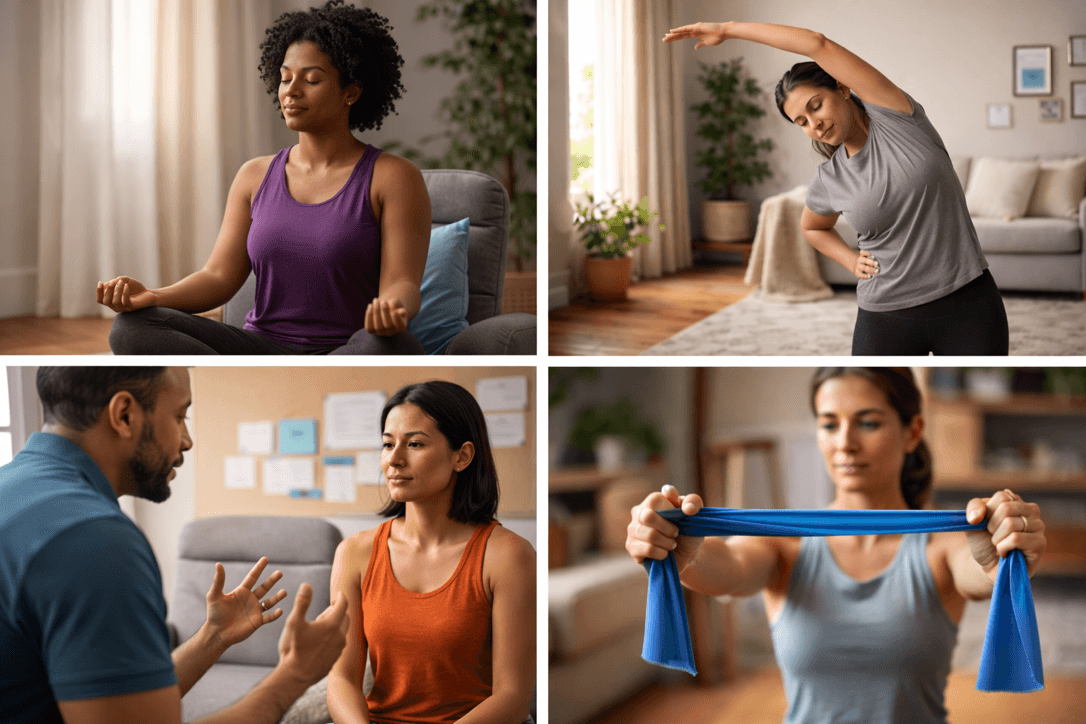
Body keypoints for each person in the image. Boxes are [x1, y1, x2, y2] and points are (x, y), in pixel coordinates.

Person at [626, 367, 1047, 724]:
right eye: (829, 424)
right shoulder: (784, 545)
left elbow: (977, 571)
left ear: (912, 431)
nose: (845, 442)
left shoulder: (943, 544)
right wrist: (681, 552)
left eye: (868, 423)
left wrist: (999, 562)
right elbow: (729, 565)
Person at [0, 367, 350, 724]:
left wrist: (214, 636)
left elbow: (124, 701)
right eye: (180, 416)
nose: (187, 441)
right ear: (124, 415)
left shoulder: (12, 488)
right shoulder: (96, 540)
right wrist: (295, 676)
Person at [99, 0, 430, 355]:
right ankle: (258, 377)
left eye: (311, 79)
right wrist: (153, 296)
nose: (291, 90)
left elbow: (402, 282)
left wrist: (392, 308)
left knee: (390, 344)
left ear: (351, 91)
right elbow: (218, 277)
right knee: (132, 327)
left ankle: (276, 379)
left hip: (346, 351)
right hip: (261, 349)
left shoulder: (393, 177)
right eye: (285, 78)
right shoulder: (254, 176)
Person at [664, 23, 1009, 355]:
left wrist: (728, 29)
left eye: (816, 106)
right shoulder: (830, 177)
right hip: (885, 311)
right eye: (802, 122)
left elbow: (817, 44)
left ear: (842, 88)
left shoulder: (899, 118)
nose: (814, 124)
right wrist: (850, 260)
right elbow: (812, 227)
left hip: (968, 301)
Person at [327, 380, 536, 724]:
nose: (394, 460)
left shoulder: (509, 555)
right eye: (387, 444)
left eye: (414, 444)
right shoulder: (353, 552)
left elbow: (512, 697)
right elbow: (341, 678)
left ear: (462, 456)